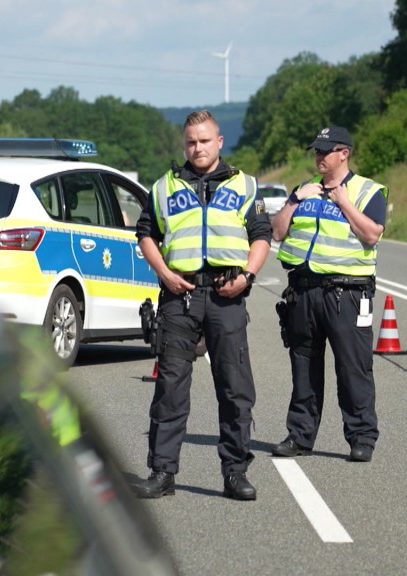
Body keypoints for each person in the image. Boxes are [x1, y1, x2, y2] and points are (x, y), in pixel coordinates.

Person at [134, 110, 271, 501]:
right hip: (180, 295)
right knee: (170, 387)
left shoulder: (244, 185)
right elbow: (146, 233)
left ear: (219, 141)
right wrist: (163, 273)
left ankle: (235, 473)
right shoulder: (164, 187)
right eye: (191, 142)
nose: (197, 148)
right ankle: (162, 473)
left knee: (234, 388)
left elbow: (261, 235)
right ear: (184, 144)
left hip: (228, 294)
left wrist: (248, 275)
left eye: (204, 141)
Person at [270, 125, 388, 463]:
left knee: (354, 368)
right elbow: (278, 231)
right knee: (303, 368)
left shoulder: (368, 191)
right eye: (316, 151)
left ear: (344, 153)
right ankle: (300, 435)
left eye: (325, 151)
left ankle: (361, 437)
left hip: (346, 294)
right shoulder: (303, 190)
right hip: (304, 292)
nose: (319, 157)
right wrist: (294, 200)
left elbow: (371, 235)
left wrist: (345, 203)